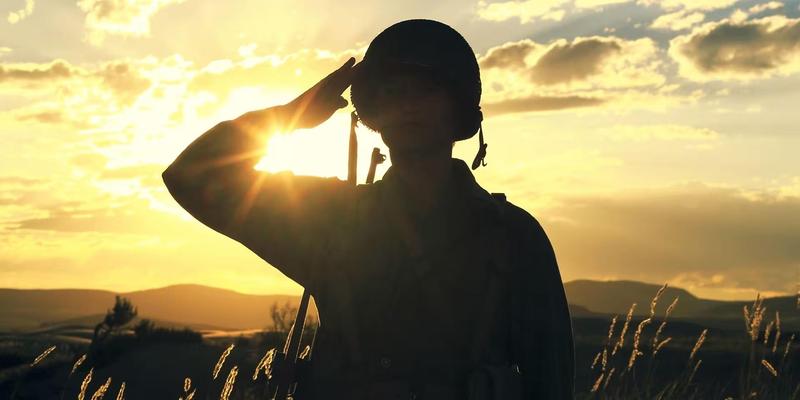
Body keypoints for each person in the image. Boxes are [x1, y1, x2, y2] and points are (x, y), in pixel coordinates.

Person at [163, 19, 574, 400]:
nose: (408, 105)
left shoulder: (515, 236)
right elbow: (190, 176)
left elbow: (550, 381)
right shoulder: (329, 218)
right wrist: (289, 117)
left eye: (426, 89)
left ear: (459, 110)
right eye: (393, 92)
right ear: (374, 113)